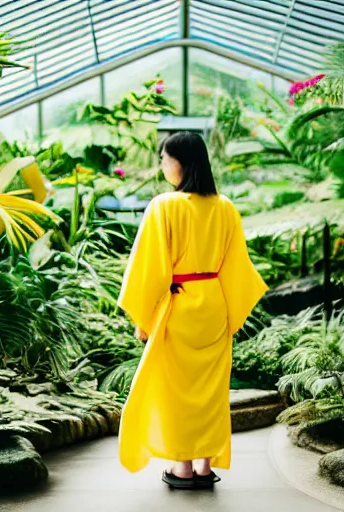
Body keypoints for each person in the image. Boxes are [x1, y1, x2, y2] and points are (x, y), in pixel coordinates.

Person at [117, 131, 268, 489]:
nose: (162, 165)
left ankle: (182, 468)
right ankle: (204, 466)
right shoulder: (226, 207)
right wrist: (230, 315)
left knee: (177, 394)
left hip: (179, 308)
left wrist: (144, 319)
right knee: (212, 393)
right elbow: (237, 267)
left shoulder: (163, 206)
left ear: (180, 163)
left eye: (164, 159)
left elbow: (149, 269)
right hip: (214, 306)